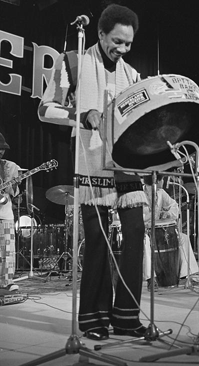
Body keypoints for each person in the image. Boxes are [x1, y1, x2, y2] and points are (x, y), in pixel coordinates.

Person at [38, 4, 147, 340]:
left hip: (126, 165)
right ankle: (93, 319)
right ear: (100, 34)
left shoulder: (132, 76)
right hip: (92, 161)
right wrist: (82, 114)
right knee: (98, 240)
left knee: (135, 234)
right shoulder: (73, 61)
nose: (123, 49)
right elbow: (45, 109)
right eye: (117, 41)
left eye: (128, 43)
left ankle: (126, 317)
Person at [142, 175, 198, 290]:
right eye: (162, 179)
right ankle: (151, 278)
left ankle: (187, 274)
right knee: (146, 242)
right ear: (157, 180)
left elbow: (174, 206)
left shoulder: (161, 193)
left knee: (183, 237)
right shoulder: (140, 194)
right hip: (143, 231)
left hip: (158, 230)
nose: (163, 182)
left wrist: (168, 213)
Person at [0, 133, 20, 291]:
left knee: (8, 250)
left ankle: (7, 281)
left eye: (3, 149)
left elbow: (14, 193)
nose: (1, 152)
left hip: (5, 213)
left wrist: (14, 185)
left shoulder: (11, 166)